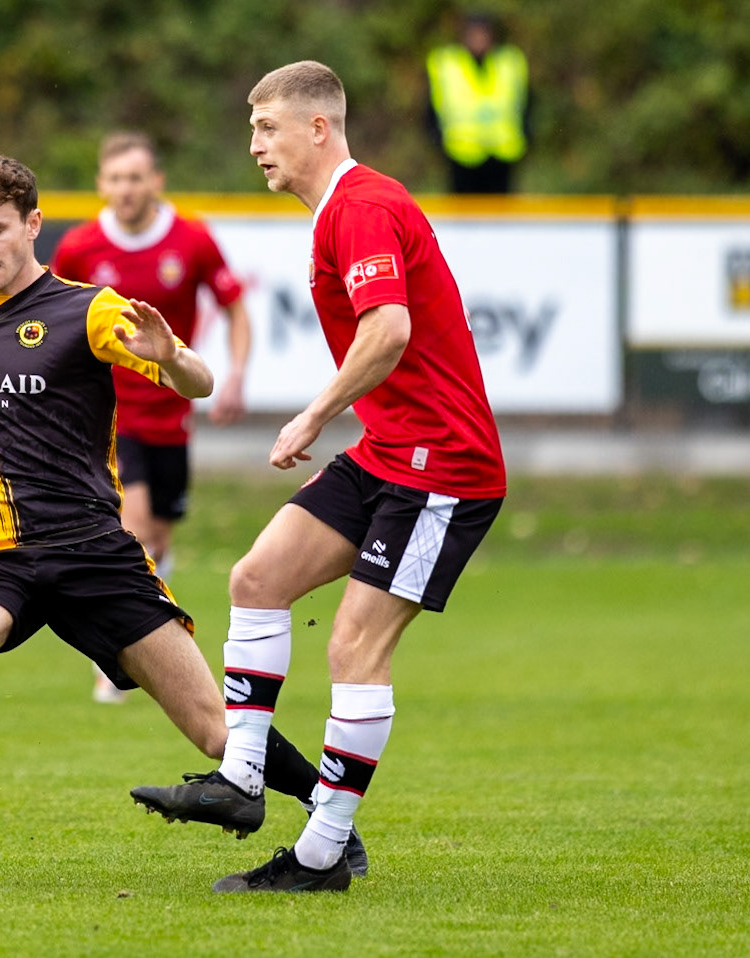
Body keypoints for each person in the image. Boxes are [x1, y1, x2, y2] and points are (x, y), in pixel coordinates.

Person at [132, 61, 505, 893]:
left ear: (316, 128)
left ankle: (321, 852)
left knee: (351, 648)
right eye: (251, 130)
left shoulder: (363, 207)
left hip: (441, 463)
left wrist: (311, 414)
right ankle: (241, 780)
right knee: (256, 578)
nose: (254, 145)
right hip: (387, 451)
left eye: (266, 128)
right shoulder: (339, 211)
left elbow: (389, 331)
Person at [0, 145, 242, 800]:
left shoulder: (91, 306)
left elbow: (199, 379)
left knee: (215, 731)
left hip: (86, 546)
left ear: (32, 224)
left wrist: (174, 360)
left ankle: (329, 816)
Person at [51, 132, 251, 705]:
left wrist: (233, 375)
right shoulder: (82, 247)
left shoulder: (192, 240)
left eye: (136, 178)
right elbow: (54, 317)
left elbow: (235, 308)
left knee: (158, 536)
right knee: (133, 529)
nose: (125, 189)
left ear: (156, 181)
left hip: (173, 414)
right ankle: (114, 656)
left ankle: (139, 622)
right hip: (110, 415)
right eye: (115, 179)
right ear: (101, 185)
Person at [426, 12, 529, 194]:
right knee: (463, 216)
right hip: (460, 154)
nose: (479, 40)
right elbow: (431, 108)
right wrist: (437, 139)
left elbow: (525, 104)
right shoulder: (447, 64)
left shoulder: (509, 63)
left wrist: (528, 135)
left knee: (501, 216)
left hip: (503, 153)